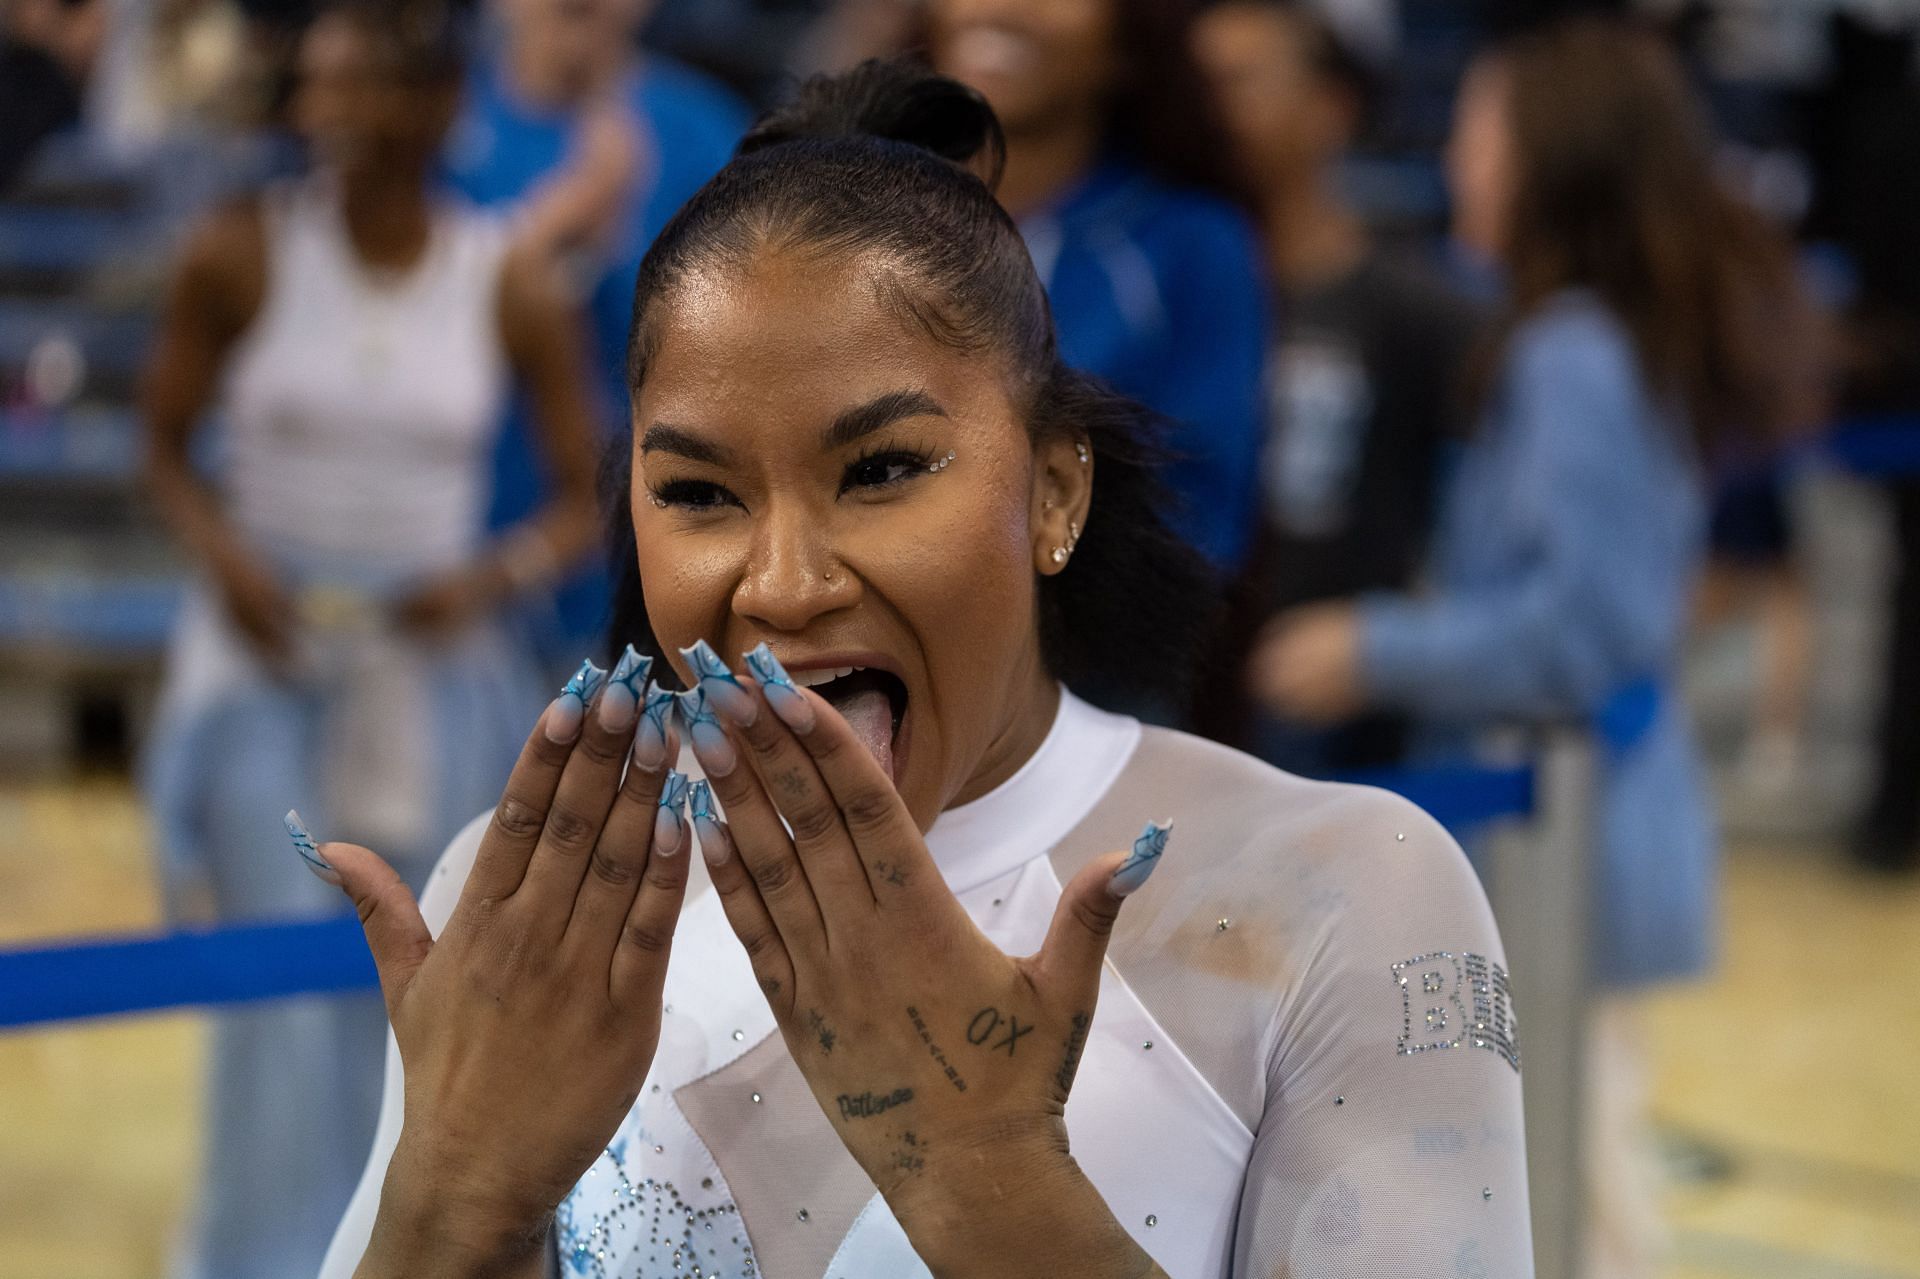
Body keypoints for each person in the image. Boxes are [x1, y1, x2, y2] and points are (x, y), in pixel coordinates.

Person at [311, 60, 1531, 1278]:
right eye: (698, 493)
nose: (783, 582)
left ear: (1056, 488)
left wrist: (981, 1167)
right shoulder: (540, 908)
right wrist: (458, 1200)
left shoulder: (1338, 895)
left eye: (883, 468)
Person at [1256, 20, 1824, 1277]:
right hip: (1577, 829)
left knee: (1577, 1207)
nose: (1457, 158)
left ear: (1551, 158)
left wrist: (1375, 645)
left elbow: (1587, 628)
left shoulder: (1577, 354)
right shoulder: (1593, 339)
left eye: (1478, 130)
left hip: (1574, 840)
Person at [139, 3, 602, 1274]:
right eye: (322, 87)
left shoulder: (498, 272)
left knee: (422, 984)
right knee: (275, 1001)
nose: (340, 114)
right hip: (265, 663)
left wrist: (488, 578)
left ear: (444, 103)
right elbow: (164, 446)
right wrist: (229, 555)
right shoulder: (238, 252)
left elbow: (584, 492)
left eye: (373, 87)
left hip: (430, 672)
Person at [1191, 0, 1481, 772]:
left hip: (1348, 726)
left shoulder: (1422, 315)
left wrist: (1390, 642)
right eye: (1199, 84)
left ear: (1331, 107)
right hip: (1181, 696)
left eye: (1241, 81)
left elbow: (1481, 537)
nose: (1212, 110)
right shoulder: (1169, 293)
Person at [441, 0, 749, 660]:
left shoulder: (703, 131)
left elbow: (757, 344)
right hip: (456, 556)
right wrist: (546, 231)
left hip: (647, 562)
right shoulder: (435, 116)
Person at [923, 0, 1269, 573]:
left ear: (1129, 44)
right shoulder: (846, 215)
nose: (1002, 7)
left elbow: (1201, 519)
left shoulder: (1194, 244)